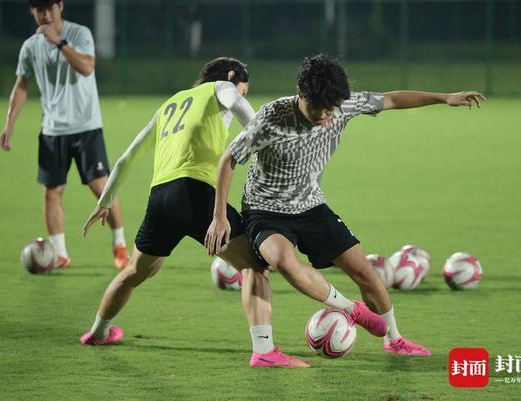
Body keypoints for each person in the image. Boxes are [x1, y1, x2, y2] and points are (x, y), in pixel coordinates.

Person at [206, 54, 486, 356]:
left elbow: (392, 99)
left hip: (311, 206)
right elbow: (228, 159)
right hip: (265, 209)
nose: (324, 115)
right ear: (300, 93)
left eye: (330, 108)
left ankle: (395, 339)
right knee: (283, 261)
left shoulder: (344, 105)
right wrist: (220, 216)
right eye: (316, 107)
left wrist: (444, 97)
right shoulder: (271, 118)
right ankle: (351, 309)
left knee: (364, 272)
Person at [80, 57, 347, 368]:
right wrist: (263, 136)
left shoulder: (170, 104)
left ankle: (97, 332)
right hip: (195, 193)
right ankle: (264, 350)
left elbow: (128, 156)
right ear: (232, 76)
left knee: (136, 272)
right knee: (256, 265)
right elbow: (238, 105)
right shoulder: (222, 86)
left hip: (161, 197)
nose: (242, 94)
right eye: (244, 89)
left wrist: (105, 201)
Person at [0, 0, 129, 269]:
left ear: (61, 6)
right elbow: (22, 85)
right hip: (52, 130)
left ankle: (120, 245)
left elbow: (87, 67)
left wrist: (59, 42)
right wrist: (9, 124)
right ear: (32, 12)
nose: (46, 14)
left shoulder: (79, 34)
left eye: (50, 7)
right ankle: (59, 254)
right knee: (52, 192)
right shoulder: (30, 46)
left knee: (102, 189)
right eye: (39, 9)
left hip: (86, 126)